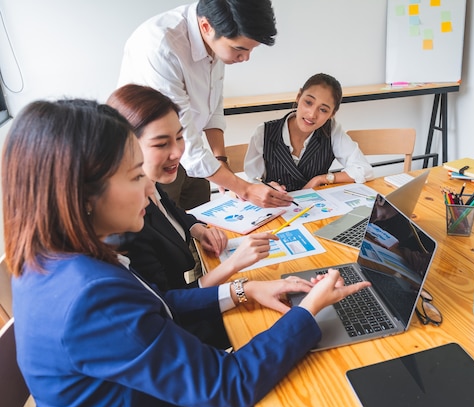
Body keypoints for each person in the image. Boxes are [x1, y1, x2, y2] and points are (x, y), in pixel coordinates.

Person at [3, 98, 371, 407]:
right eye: (135, 177)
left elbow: (154, 308)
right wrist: (307, 311)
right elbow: (228, 385)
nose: (150, 188)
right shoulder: (90, 296)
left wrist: (244, 290)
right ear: (81, 197)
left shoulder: (49, 255)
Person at [118, 0, 293, 210]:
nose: (245, 58)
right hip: (154, 159)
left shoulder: (215, 39)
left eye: (250, 50)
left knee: (201, 226)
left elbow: (212, 106)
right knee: (169, 230)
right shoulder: (160, 45)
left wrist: (220, 160)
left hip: (195, 152)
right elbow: (182, 132)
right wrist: (244, 188)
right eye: (239, 49)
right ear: (206, 27)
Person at [107, 84, 275, 292]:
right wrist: (233, 266)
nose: (177, 152)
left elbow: (172, 211)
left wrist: (197, 229)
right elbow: (169, 303)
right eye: (161, 144)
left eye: (179, 137)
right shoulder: (128, 224)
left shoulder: (151, 183)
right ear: (126, 146)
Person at [244, 73, 374, 192]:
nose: (312, 114)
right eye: (308, 102)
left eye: (323, 110)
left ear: (332, 114)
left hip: (316, 208)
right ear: (299, 96)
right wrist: (264, 187)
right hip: (275, 208)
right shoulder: (265, 132)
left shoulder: (331, 130)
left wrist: (322, 179)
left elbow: (363, 169)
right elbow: (252, 181)